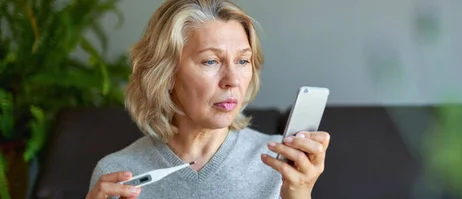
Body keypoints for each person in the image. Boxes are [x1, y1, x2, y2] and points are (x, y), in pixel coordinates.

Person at [85, 0, 330, 198]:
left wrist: (299, 194)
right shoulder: (116, 175)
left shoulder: (285, 165)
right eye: (211, 61)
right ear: (166, 73)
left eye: (242, 61)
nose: (232, 80)